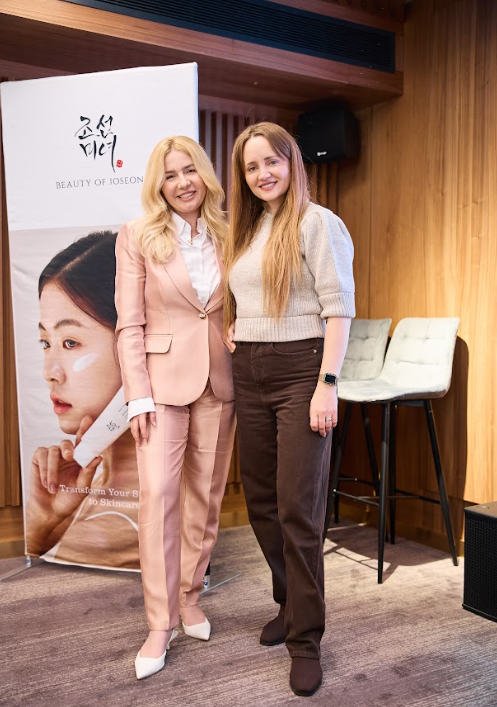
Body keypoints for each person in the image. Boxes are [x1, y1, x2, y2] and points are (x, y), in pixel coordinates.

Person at [224, 122, 355, 697]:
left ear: (292, 162)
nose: (263, 174)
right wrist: (236, 325)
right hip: (249, 371)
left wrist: (328, 385)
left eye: (271, 161)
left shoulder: (317, 222)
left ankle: (305, 640)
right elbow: (249, 297)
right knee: (261, 504)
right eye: (252, 167)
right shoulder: (250, 229)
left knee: (298, 510)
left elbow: (338, 309)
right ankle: (288, 603)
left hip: (303, 371)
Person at [115, 135, 235, 680]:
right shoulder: (138, 235)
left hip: (220, 380)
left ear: (205, 175)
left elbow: (235, 302)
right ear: (157, 185)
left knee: (205, 499)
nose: (183, 182)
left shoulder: (229, 233)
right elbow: (129, 323)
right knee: (160, 499)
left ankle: (190, 596)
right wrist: (137, 394)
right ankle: (159, 624)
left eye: (190, 171)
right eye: (170, 175)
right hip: (160, 387)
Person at [26, 232, 140, 570]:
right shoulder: (88, 497)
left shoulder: (114, 527)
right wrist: (46, 519)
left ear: (135, 340)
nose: (50, 372)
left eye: (71, 342)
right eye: (46, 343)